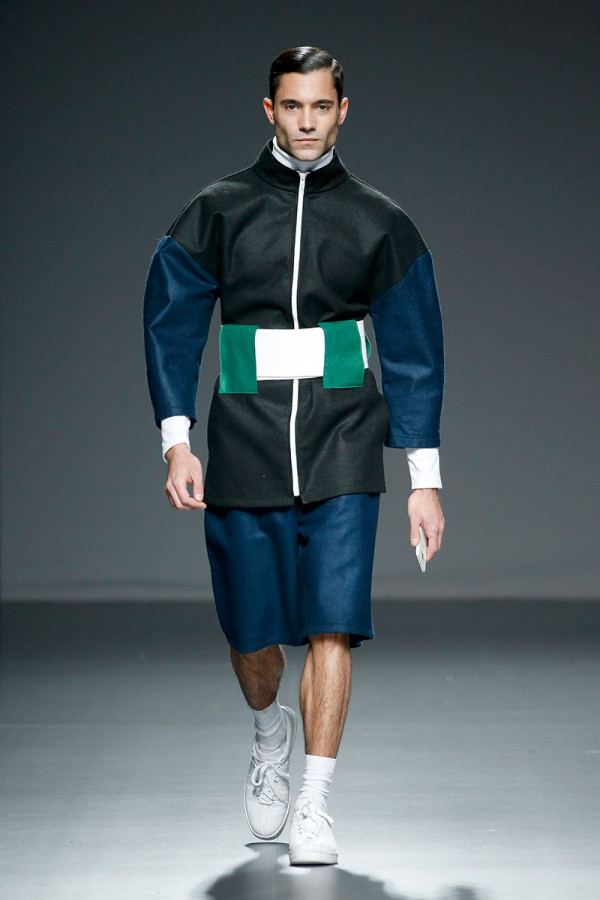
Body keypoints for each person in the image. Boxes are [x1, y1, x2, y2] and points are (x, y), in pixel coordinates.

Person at [143, 46, 445, 866]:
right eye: (292, 106)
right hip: (244, 437)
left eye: (320, 106)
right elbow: (171, 323)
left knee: (331, 624)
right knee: (251, 634)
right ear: (269, 110)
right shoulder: (219, 210)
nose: (306, 122)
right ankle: (267, 733)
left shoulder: (380, 221)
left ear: (342, 110)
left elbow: (414, 350)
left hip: (345, 437)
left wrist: (424, 480)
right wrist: (177, 441)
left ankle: (315, 800)